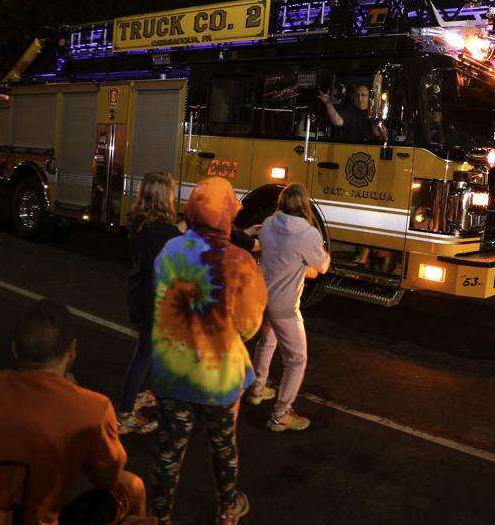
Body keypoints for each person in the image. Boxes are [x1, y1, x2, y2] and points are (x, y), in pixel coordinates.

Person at [0, 300, 146, 525]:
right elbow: (107, 477)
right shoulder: (93, 408)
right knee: (132, 486)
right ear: (72, 351)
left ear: (14, 348)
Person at [149, 177, 267, 525]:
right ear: (228, 213)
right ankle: (228, 507)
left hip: (173, 372)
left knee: (169, 450)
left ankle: (159, 515)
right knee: (223, 446)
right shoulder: (240, 261)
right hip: (219, 378)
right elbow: (249, 326)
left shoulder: (170, 250)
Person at [247, 183, 330, 431]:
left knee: (267, 341)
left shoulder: (270, 223)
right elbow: (322, 266)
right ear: (304, 206)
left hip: (263, 295)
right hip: (285, 304)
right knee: (296, 359)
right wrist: (311, 263)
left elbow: (277, 254)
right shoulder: (308, 234)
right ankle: (281, 413)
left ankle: (257, 388)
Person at [120, 172, 183, 434]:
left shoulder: (137, 223)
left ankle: (144, 396)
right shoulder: (166, 232)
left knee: (150, 351)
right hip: (155, 299)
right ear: (163, 196)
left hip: (139, 292)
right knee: (146, 353)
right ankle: (125, 415)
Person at [318, 84, 386, 143]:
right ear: (352, 97)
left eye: (363, 95)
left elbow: (383, 135)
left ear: (369, 98)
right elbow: (338, 121)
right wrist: (328, 103)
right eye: (357, 95)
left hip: (371, 148)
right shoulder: (347, 110)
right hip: (350, 147)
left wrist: (380, 133)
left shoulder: (376, 112)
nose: (359, 98)